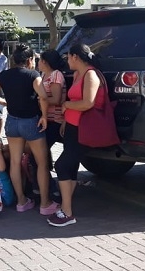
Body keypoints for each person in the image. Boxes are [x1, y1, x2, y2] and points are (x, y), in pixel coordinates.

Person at [0, 43, 58, 216]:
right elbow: (43, 97)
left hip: (12, 122)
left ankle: (21, 201)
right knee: (42, 163)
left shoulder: (4, 75)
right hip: (31, 121)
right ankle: (45, 203)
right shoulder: (33, 75)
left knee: (15, 163)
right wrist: (44, 116)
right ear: (30, 60)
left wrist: (4, 102)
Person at [51, 43, 101, 227]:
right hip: (72, 127)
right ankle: (65, 207)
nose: (66, 61)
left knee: (62, 165)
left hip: (84, 129)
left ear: (75, 57)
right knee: (70, 167)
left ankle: (67, 213)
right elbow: (75, 98)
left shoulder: (91, 75)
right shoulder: (78, 74)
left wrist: (66, 106)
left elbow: (88, 103)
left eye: (68, 57)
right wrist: (66, 119)